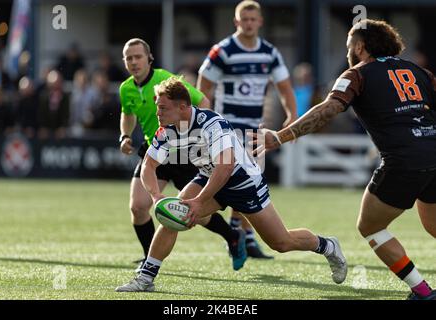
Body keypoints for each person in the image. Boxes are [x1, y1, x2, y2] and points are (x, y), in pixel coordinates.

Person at [252, 19, 436, 300]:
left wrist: (281, 136)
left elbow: (328, 109)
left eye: (350, 46)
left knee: (370, 227)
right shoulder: (419, 72)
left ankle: (423, 292)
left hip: (403, 159)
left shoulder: (356, 74)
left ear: (360, 47)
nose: (348, 52)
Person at [115, 77, 347, 292]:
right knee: (175, 216)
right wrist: (156, 196)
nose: (158, 112)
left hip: (243, 183)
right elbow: (149, 166)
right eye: (158, 107)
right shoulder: (167, 129)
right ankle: (146, 277)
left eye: (163, 107)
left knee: (281, 242)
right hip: (209, 176)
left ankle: (327, 245)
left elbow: (226, 168)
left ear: (183, 107)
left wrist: (199, 201)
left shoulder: (212, 124)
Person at [118, 38, 246, 272]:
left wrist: (199, 137)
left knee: (192, 212)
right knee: (138, 207)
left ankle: (232, 236)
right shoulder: (125, 88)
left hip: (184, 154)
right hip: (156, 150)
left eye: (138, 57)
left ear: (149, 58)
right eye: (129, 58)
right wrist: (124, 135)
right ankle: (150, 258)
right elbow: (127, 114)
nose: (134, 62)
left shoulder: (166, 81)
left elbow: (202, 101)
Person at [197, 0, 298, 259]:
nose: (249, 23)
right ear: (236, 22)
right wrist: (203, 120)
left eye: (253, 19)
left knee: (249, 183)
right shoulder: (223, 51)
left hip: (254, 129)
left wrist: (292, 115)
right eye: (245, 19)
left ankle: (243, 236)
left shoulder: (269, 52)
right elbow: (203, 88)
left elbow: (284, 87)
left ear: (260, 22)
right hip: (227, 127)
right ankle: (239, 235)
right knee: (236, 181)